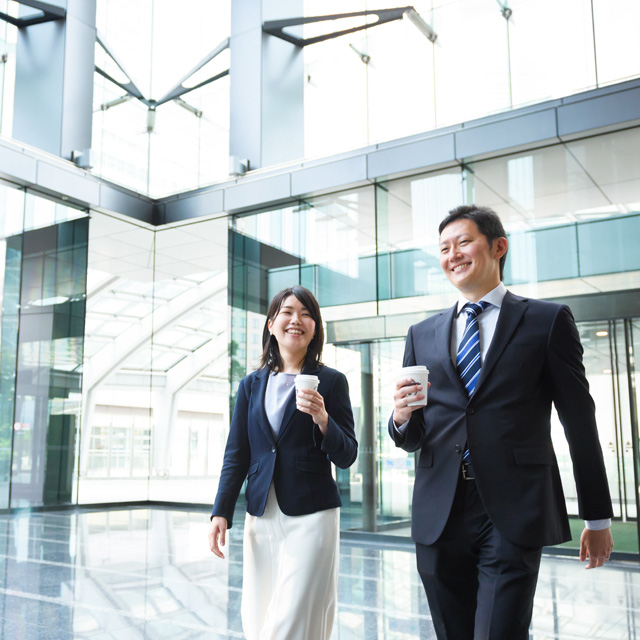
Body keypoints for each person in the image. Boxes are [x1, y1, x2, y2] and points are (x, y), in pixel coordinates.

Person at [389, 205, 614, 640]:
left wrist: (599, 518)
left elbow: (579, 422)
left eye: (463, 242)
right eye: (443, 248)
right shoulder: (421, 333)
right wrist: (400, 417)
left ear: (498, 247)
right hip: (440, 509)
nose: (452, 254)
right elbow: (412, 435)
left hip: (515, 506)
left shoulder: (547, 321)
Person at [209, 285, 357, 640]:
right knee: (258, 612)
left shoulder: (332, 382)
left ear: (315, 329)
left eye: (307, 314)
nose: (297, 320)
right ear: (272, 324)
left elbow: (348, 454)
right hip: (261, 512)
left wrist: (323, 418)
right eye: (288, 312)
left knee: (292, 614)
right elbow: (237, 453)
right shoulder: (250, 386)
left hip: (313, 513)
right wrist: (221, 511)